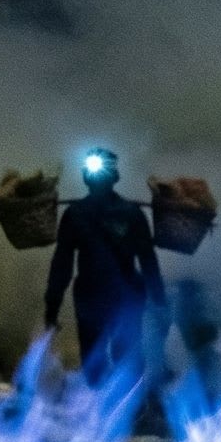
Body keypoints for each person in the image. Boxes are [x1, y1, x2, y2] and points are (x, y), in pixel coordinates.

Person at [44, 148, 165, 386]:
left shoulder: (128, 214)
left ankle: (126, 413)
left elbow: (148, 260)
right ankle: (112, 412)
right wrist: (52, 305)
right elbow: (62, 264)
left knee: (124, 359)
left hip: (118, 295)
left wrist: (159, 300)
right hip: (97, 295)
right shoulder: (77, 215)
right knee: (102, 361)